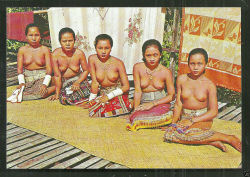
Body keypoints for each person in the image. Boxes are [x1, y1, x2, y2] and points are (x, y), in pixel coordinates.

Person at [164, 48, 241, 152]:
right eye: (192, 63)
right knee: (170, 135)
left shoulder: (209, 85)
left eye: (199, 64)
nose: (195, 67)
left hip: (202, 119)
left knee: (188, 134)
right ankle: (211, 141)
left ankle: (228, 137)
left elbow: (213, 111)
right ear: (188, 64)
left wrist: (192, 120)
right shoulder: (181, 79)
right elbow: (178, 104)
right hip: (184, 118)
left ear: (206, 64)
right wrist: (173, 124)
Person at [126, 39, 175, 131]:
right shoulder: (138, 68)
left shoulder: (166, 72)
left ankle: (159, 120)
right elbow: (137, 91)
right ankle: (153, 122)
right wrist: (135, 109)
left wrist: (153, 104)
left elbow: (171, 96)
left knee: (164, 115)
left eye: (155, 55)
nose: (152, 58)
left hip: (160, 103)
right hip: (144, 103)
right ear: (144, 56)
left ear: (160, 55)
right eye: (148, 55)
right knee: (135, 117)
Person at [88, 34, 132, 117]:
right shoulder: (92, 59)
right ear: (95, 48)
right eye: (100, 48)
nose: (103, 51)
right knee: (94, 109)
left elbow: (126, 87)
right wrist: (91, 100)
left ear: (111, 48)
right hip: (102, 93)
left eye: (107, 48)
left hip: (116, 94)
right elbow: (95, 83)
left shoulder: (118, 63)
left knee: (126, 106)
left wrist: (109, 96)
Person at [10, 23, 53, 102]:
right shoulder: (22, 50)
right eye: (31, 35)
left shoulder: (45, 49)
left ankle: (55, 87)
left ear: (40, 36)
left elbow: (49, 70)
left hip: (42, 78)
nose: (34, 38)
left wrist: (45, 84)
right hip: (28, 79)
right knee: (18, 94)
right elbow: (20, 70)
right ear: (26, 36)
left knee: (41, 93)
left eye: (36, 35)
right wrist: (22, 82)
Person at [49, 27, 90, 105]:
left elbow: (86, 70)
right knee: (65, 98)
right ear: (60, 42)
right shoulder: (55, 54)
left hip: (78, 79)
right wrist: (57, 93)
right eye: (64, 41)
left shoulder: (79, 53)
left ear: (74, 41)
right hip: (64, 82)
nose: (67, 43)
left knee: (89, 90)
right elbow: (57, 76)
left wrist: (77, 82)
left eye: (70, 41)